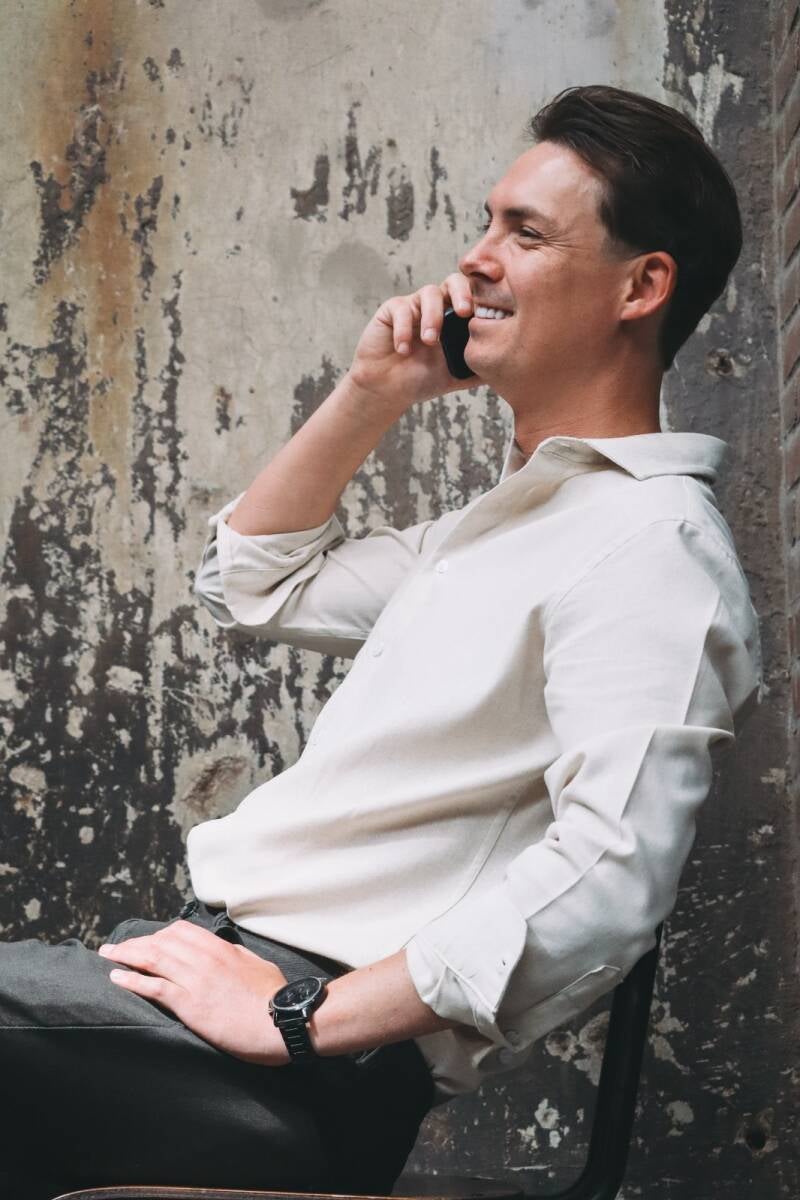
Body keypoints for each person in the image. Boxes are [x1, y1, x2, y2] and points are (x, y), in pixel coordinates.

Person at [1, 85, 762, 1199]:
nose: (474, 260)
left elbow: (610, 878)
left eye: (525, 233)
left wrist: (297, 1019)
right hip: (198, 1005)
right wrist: (371, 392)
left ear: (640, 287)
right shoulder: (510, 526)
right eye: (486, 222)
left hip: (290, 1069)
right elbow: (249, 585)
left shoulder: (650, 548)